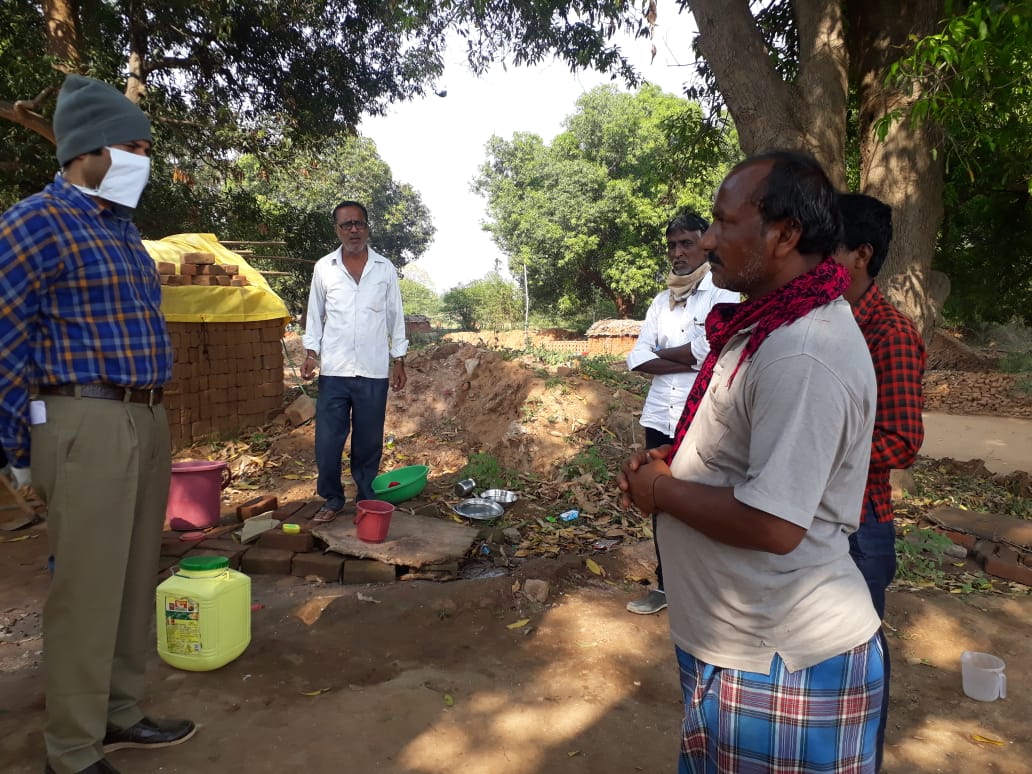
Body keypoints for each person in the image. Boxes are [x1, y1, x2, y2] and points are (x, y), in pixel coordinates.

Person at [618, 152, 884, 773]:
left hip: (780, 665)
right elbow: (745, 455)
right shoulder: (767, 325)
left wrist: (662, 492)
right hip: (737, 647)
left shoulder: (803, 351)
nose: (709, 240)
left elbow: (774, 525)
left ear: (785, 234)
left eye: (722, 222)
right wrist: (681, 465)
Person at [0, 75, 195, 774]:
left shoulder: (120, 230)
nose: (143, 158)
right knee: (85, 586)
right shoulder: (34, 223)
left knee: (135, 571)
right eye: (133, 146)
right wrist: (15, 444)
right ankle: (71, 749)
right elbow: (5, 336)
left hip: (144, 417)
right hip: (82, 420)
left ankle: (119, 711)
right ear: (86, 149)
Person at [835, 192, 926, 770]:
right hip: (819, 516)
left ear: (861, 254)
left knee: (857, 650)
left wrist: (814, 447)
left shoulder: (888, 334)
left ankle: (863, 757)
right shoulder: (822, 321)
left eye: (827, 249)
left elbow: (900, 440)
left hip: (861, 522)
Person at [624, 210, 739, 615]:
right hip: (659, 417)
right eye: (672, 245)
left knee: (703, 500)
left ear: (704, 243)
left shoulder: (723, 294)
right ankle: (666, 585)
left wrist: (667, 354)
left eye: (686, 243)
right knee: (659, 498)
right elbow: (634, 358)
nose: (678, 252)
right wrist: (686, 356)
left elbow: (709, 349)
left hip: (701, 418)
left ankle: (708, 590)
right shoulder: (661, 301)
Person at [301, 200, 408, 522]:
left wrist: (398, 359)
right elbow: (315, 314)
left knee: (369, 440)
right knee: (328, 441)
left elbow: (395, 316)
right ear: (336, 229)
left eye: (358, 223)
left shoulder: (384, 269)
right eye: (346, 225)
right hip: (334, 370)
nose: (353, 230)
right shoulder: (324, 268)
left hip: (374, 371)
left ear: (367, 227)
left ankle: (365, 496)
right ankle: (332, 498)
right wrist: (310, 353)